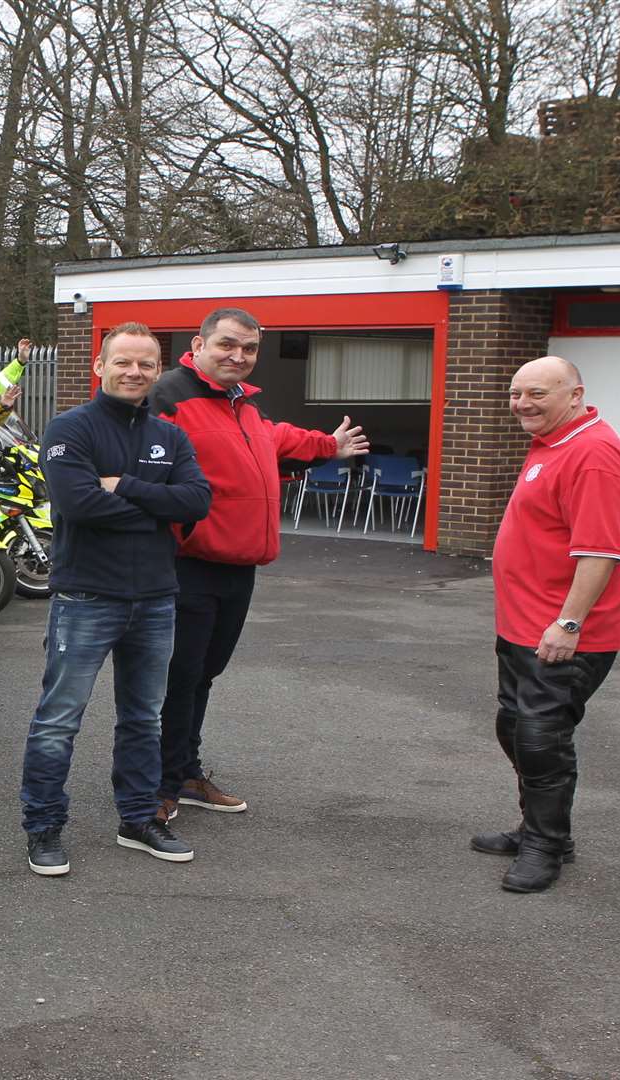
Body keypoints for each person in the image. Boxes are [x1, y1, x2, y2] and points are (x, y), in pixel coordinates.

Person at [148, 307, 366, 823]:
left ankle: (183, 769)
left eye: (248, 349)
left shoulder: (241, 406)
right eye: (226, 345)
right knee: (179, 677)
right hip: (187, 565)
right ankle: (157, 783)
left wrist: (328, 446)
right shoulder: (169, 397)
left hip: (237, 568)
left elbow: (276, 439)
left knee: (203, 674)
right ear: (198, 346)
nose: (238, 356)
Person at [21, 322, 210, 876]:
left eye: (146, 364)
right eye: (123, 362)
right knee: (59, 720)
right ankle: (44, 827)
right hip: (85, 597)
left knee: (143, 719)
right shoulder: (69, 428)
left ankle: (138, 818)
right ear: (99, 367)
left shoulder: (169, 436)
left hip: (155, 599)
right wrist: (158, 506)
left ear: (158, 371)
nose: (134, 373)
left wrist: (122, 486)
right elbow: (79, 505)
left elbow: (197, 501)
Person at [474, 356, 620, 893]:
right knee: (515, 726)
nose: (523, 404)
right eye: (517, 393)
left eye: (537, 393)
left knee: (543, 737)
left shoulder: (593, 454)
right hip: (523, 625)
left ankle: (548, 845)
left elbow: (601, 553)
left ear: (574, 394)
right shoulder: (555, 443)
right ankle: (536, 828)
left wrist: (568, 623)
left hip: (561, 633)